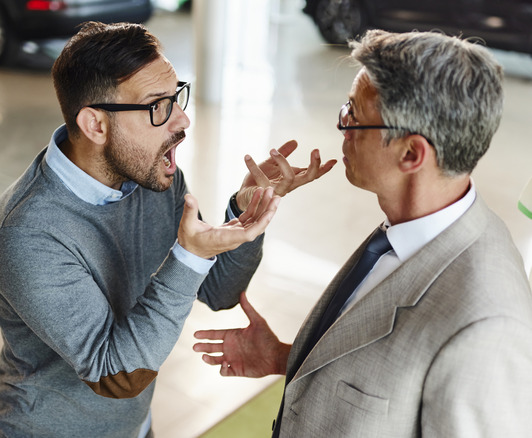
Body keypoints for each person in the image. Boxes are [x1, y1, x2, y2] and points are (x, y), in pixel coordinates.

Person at [0, 21, 335, 437]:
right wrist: (188, 257)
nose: (182, 120)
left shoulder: (152, 173)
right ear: (96, 125)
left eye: (176, 97)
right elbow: (116, 375)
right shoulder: (26, 234)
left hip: (135, 426)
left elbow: (217, 293)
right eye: (157, 106)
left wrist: (243, 213)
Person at [193, 29, 532, 437]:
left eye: (354, 116)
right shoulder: (411, 227)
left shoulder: (486, 330)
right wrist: (287, 358)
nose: (342, 127)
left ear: (411, 154)